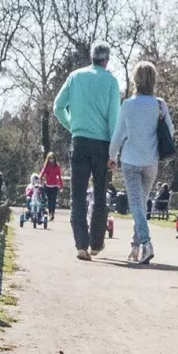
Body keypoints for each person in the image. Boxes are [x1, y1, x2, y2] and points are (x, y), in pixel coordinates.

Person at [53, 42, 122, 260]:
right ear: (106, 60)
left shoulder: (75, 77)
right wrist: (114, 153)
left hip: (80, 140)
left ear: (91, 57)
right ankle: (96, 243)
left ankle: (81, 245)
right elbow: (114, 118)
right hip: (102, 144)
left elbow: (58, 106)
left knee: (78, 194)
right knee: (100, 194)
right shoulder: (111, 81)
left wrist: (72, 125)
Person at [109, 60, 174, 265]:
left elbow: (118, 135)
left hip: (130, 160)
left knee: (136, 205)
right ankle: (135, 247)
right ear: (153, 80)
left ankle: (146, 243)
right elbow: (170, 132)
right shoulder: (159, 104)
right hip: (151, 162)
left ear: (135, 79)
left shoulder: (127, 105)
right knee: (140, 207)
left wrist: (111, 156)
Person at [37, 153, 63, 221]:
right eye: (50, 158)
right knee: (49, 200)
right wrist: (39, 178)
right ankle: (50, 213)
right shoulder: (46, 166)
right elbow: (42, 172)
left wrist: (61, 186)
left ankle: (53, 213)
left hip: (55, 186)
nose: (51, 160)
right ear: (48, 159)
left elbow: (59, 176)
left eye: (52, 158)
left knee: (53, 200)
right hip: (48, 185)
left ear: (54, 159)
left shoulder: (57, 166)